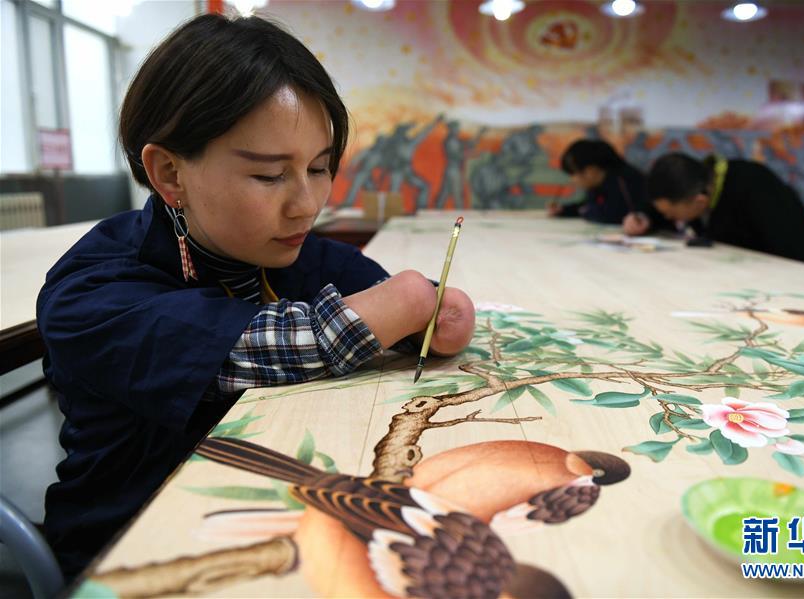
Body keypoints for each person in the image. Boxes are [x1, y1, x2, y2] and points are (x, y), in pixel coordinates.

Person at [36, 14, 475, 581]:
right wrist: (406, 304)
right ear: (170, 173)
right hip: (135, 544)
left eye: (319, 168)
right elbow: (250, 347)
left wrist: (436, 318)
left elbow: (395, 306)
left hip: (271, 512)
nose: (306, 204)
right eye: (270, 176)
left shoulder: (294, 252)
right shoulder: (92, 293)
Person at [630, 152, 804, 265]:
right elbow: (661, 208)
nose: (669, 219)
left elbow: (798, 254)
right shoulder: (698, 183)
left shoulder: (753, 186)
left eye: (670, 215)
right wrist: (644, 217)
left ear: (700, 201)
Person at [548, 139, 662, 228]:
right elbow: (588, 205)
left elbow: (612, 215)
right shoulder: (598, 184)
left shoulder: (624, 180)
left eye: (572, 174)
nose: (572, 180)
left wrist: (586, 211)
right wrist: (564, 210)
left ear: (590, 170)